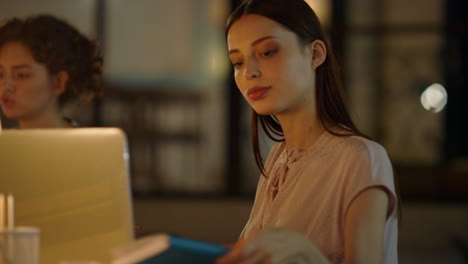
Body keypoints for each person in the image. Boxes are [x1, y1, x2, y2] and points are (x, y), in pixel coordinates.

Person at [217, 0, 399, 263]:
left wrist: (305, 253)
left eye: (268, 52)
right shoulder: (278, 161)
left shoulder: (360, 158)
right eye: (237, 62)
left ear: (315, 54)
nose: (249, 72)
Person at [0, 14, 102, 128]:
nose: (6, 86)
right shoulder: (5, 144)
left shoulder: (88, 145)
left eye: (22, 75)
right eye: (0, 74)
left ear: (59, 82)